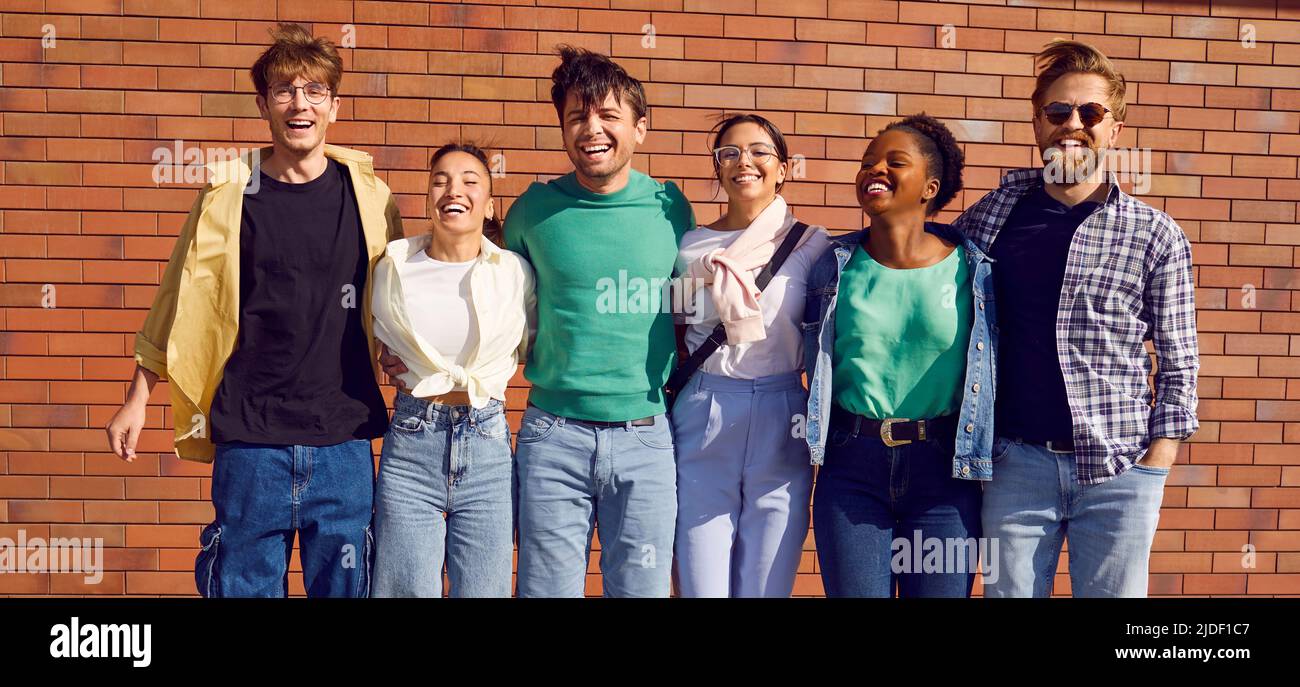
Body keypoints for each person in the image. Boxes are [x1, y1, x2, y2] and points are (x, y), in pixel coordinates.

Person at [382, 47, 695, 597]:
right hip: (554, 438)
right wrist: (411, 352)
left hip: (647, 435)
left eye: (608, 116)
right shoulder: (533, 211)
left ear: (640, 128)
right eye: (577, 117)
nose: (591, 129)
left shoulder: (672, 209)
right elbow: (484, 287)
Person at [104, 24, 404, 597]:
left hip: (343, 440)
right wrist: (137, 397)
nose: (300, 104)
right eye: (285, 91)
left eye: (315, 91)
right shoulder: (226, 196)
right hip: (249, 440)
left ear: (334, 107)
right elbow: (177, 297)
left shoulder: (370, 196)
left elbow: (398, 297)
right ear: (263, 104)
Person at [954, 40, 1198, 598]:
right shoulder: (989, 219)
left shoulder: (1154, 233)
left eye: (1090, 113)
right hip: (1015, 464)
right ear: (1037, 121)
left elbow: (1180, 360)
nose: (1073, 125)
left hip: (1121, 468)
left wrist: (1157, 460)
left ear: (1114, 128)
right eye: (1058, 112)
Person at [803, 114, 997, 597]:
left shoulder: (976, 271)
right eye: (868, 162)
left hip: (945, 471)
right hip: (851, 466)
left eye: (895, 162)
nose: (875, 170)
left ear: (930, 187)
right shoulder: (831, 264)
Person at [670, 114, 830, 597]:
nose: (745, 162)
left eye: (760, 151)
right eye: (730, 153)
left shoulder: (810, 242)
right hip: (704, 409)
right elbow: (672, 329)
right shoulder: (688, 246)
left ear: (782, 168)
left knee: (768, 583)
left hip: (784, 415)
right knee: (700, 583)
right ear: (717, 169)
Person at [369, 143, 535, 597]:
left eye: (469, 180)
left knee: (486, 589)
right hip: (411, 440)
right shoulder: (392, 267)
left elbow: (534, 342)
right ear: (427, 198)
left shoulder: (515, 273)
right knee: (404, 589)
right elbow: (369, 332)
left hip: (487, 444)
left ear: (489, 202)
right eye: (440, 180)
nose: (452, 190)